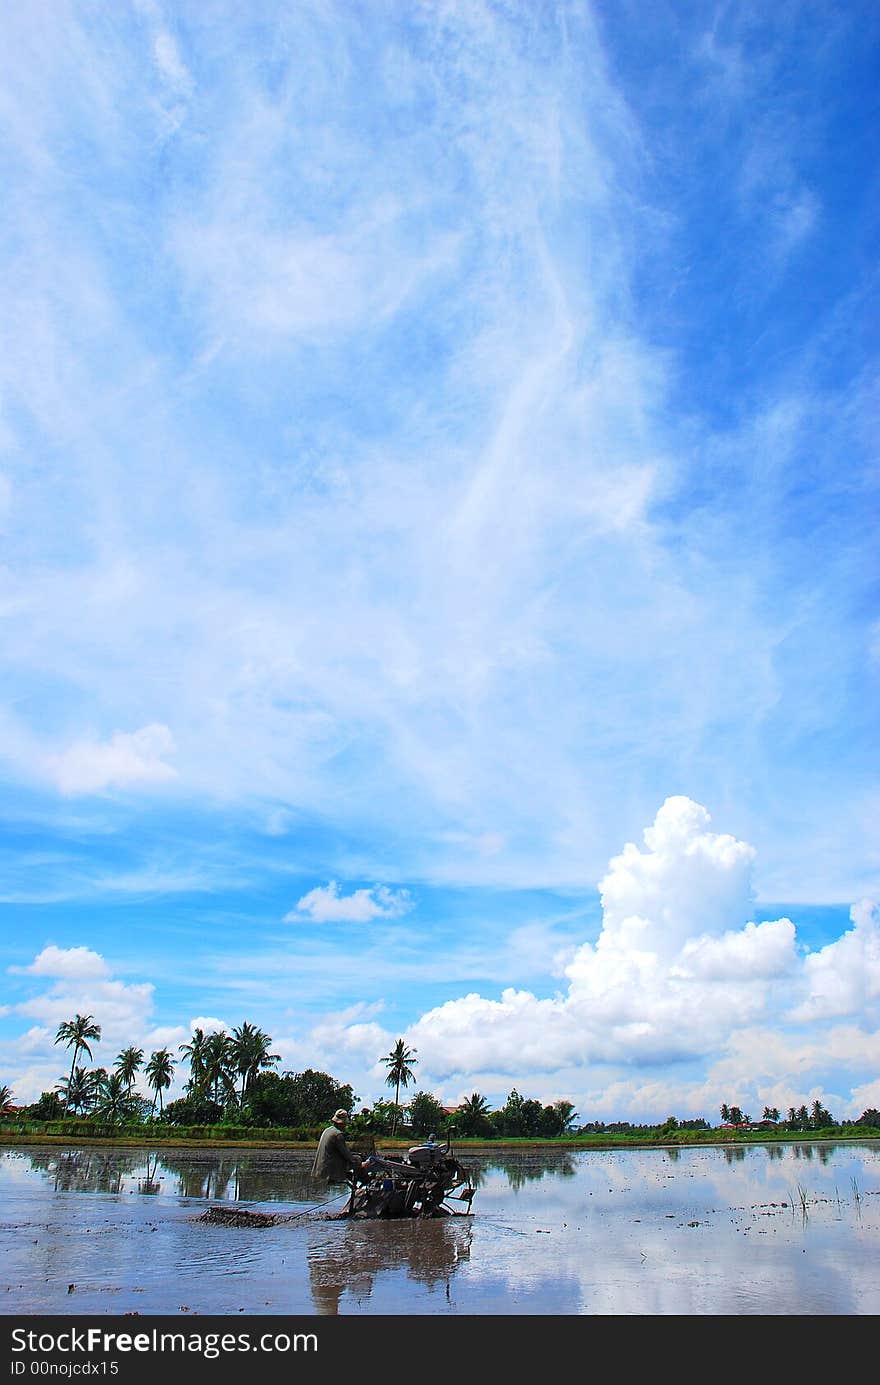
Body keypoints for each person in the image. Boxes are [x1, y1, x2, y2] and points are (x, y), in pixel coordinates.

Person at [311, 1108, 369, 1184]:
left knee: (356, 1157)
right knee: (357, 1159)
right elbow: (347, 1155)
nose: (345, 1125)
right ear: (341, 1123)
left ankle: (358, 1180)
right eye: (345, 1123)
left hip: (321, 1168)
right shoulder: (338, 1134)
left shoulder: (328, 1130)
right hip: (329, 1170)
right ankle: (365, 1180)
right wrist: (361, 1164)